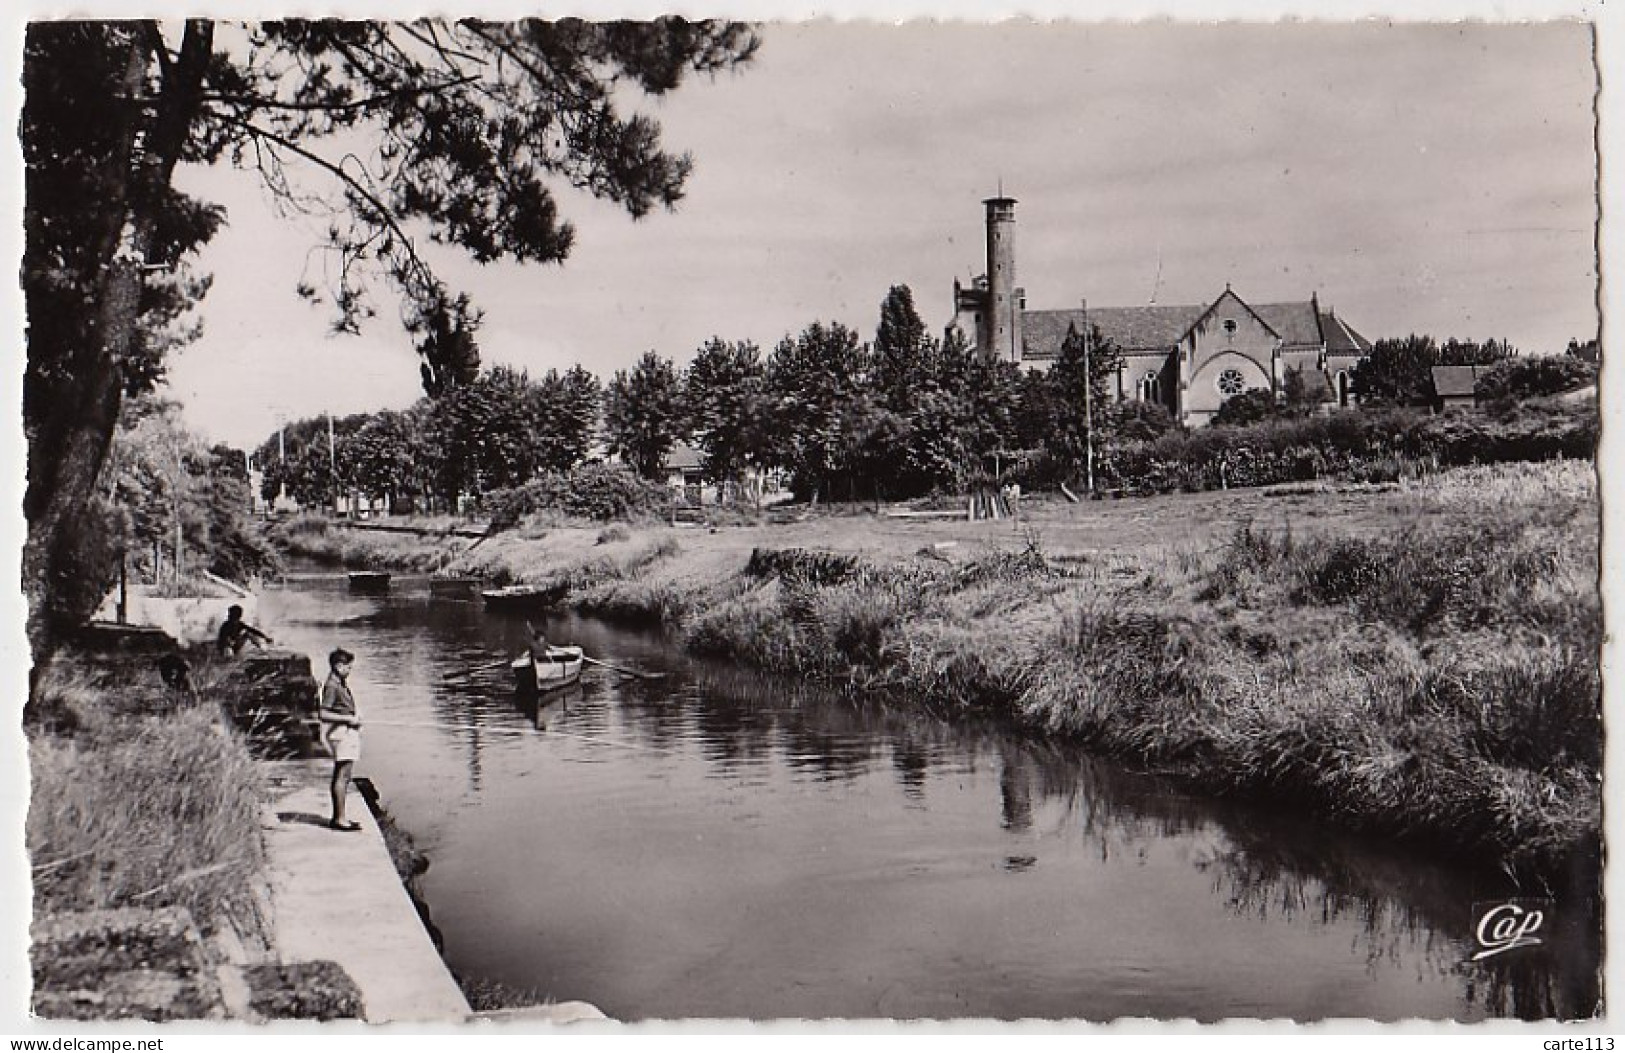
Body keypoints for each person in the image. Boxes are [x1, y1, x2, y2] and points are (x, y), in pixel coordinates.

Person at [318, 648, 363, 832]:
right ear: (338, 666)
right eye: (348, 667)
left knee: (344, 775)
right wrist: (348, 719)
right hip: (342, 734)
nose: (350, 671)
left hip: (346, 732)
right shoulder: (332, 686)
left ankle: (340, 817)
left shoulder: (339, 682)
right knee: (342, 775)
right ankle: (339, 819)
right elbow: (323, 713)